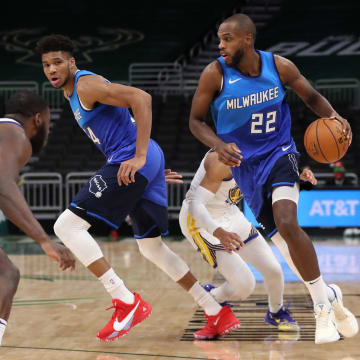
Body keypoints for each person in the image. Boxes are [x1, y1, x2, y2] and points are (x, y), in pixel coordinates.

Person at [36, 34, 240, 342]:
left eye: (58, 62)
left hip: (134, 157)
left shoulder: (84, 85)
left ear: (72, 62)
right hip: (143, 162)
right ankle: (214, 310)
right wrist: (150, 167)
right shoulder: (70, 94)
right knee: (151, 247)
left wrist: (141, 156)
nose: (52, 69)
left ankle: (125, 301)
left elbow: (141, 98)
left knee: (66, 226)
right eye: (46, 64)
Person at [188, 13, 357, 344]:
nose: (220, 45)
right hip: (246, 169)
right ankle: (330, 295)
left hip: (281, 154)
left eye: (227, 39)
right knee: (284, 244)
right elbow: (195, 121)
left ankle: (321, 307)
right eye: (219, 39)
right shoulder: (214, 75)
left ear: (247, 39)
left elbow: (310, 97)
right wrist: (218, 144)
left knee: (287, 221)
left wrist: (334, 117)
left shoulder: (279, 67)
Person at [180, 150, 301, 331]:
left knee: (274, 270)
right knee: (245, 286)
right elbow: (196, 206)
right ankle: (211, 299)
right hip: (199, 221)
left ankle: (275, 312)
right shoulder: (222, 158)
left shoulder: (262, 154)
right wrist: (219, 232)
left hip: (229, 212)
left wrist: (300, 179)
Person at [0, 91, 75, 345]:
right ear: (38, 120)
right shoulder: (16, 136)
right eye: (49, 121)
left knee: (7, 273)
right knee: (5, 275)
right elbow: (3, 186)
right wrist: (44, 240)